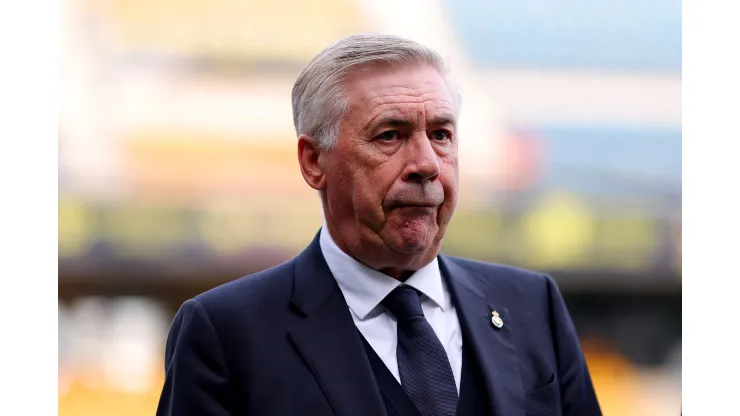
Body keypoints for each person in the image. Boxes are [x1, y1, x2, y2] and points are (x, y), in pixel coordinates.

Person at [156, 33, 602, 416]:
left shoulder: (532, 305)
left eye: (442, 135)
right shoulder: (226, 331)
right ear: (314, 162)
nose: (426, 164)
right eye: (390, 135)